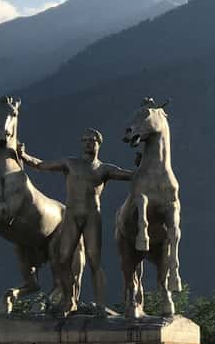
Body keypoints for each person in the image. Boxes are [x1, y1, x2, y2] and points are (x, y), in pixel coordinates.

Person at [18, 128, 133, 315]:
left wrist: (142, 164)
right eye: (85, 140)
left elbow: (130, 175)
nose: (88, 143)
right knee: (63, 260)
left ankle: (100, 304)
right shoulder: (70, 163)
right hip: (71, 216)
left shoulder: (104, 169)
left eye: (92, 140)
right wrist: (23, 155)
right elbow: (41, 165)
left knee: (94, 260)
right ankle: (69, 300)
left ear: (99, 143)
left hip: (92, 217)